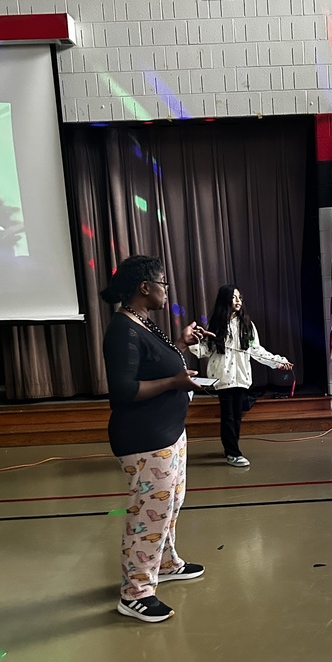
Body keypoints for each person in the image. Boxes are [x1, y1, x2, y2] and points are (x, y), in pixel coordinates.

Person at [101, 255, 210, 624]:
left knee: (169, 504)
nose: (167, 291)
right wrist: (175, 382)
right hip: (144, 439)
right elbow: (122, 391)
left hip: (169, 433)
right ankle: (135, 592)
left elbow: (158, 363)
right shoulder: (123, 330)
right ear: (144, 287)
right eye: (163, 283)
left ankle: (164, 562)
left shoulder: (143, 324)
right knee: (148, 514)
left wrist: (180, 343)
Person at [189, 284, 293, 467]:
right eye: (234, 297)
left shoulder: (247, 325)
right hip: (223, 379)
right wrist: (193, 340)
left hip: (242, 378)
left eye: (240, 298)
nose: (238, 301)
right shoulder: (215, 325)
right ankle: (233, 452)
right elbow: (204, 350)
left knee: (237, 416)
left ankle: (231, 448)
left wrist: (279, 362)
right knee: (228, 416)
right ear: (225, 300)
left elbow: (257, 350)